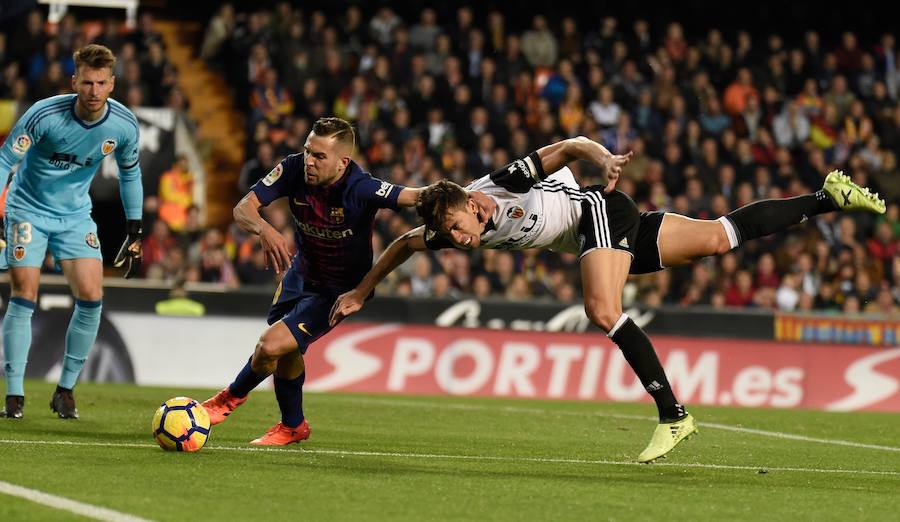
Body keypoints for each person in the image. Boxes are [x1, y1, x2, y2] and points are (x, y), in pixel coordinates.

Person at [329, 135, 886, 462]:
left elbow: (569, 145)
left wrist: (605, 160)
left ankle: (674, 414)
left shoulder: (503, 183)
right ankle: (828, 197)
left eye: (456, 228)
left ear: (472, 207)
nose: (458, 242)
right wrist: (360, 291)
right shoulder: (449, 222)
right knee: (719, 236)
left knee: (601, 310)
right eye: (450, 236)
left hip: (601, 211)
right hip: (608, 233)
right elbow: (404, 241)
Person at [201, 117, 421, 445]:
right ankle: (293, 426)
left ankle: (227, 400)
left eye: (319, 156)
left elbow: (414, 196)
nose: (309, 161)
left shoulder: (360, 187)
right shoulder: (293, 169)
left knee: (269, 345)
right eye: (307, 151)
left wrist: (469, 197)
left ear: (343, 162)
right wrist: (264, 228)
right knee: (285, 352)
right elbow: (242, 207)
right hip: (299, 276)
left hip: (336, 292)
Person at [0, 44, 144, 419]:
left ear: (112, 83)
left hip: (75, 216)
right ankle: (14, 396)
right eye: (87, 82)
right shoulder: (43, 115)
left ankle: (64, 391)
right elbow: (5, 161)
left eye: (100, 83)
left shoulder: (124, 126)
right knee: (24, 294)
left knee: (92, 296)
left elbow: (130, 174)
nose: (94, 91)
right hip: (27, 209)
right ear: (74, 81)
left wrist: (135, 228)